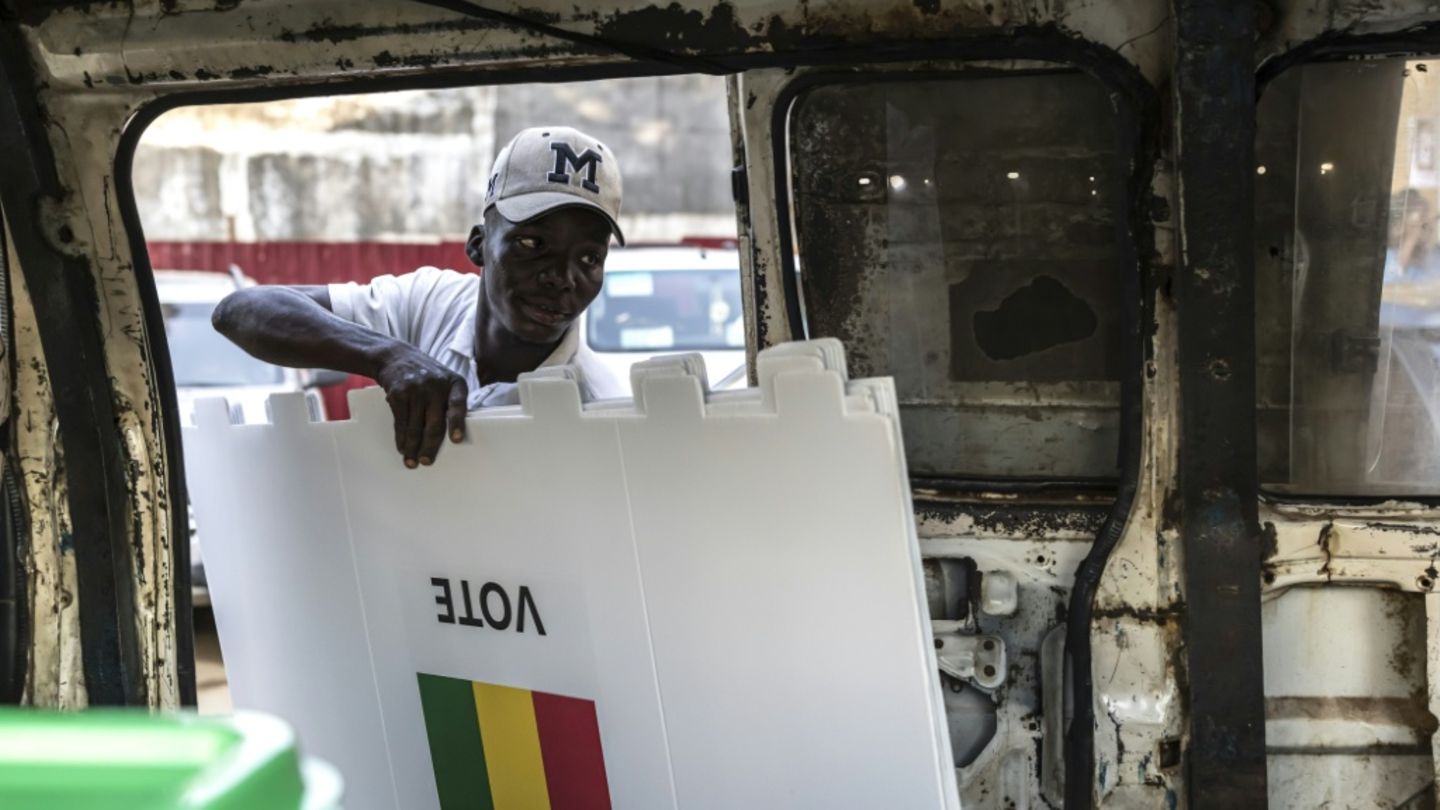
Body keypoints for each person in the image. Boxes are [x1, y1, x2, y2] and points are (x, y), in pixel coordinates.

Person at [212, 126, 626, 468]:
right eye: (533, 244)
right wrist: (387, 357)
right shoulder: (431, 301)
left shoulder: (598, 406)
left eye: (589, 258)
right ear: (478, 245)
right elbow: (241, 311)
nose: (562, 278)